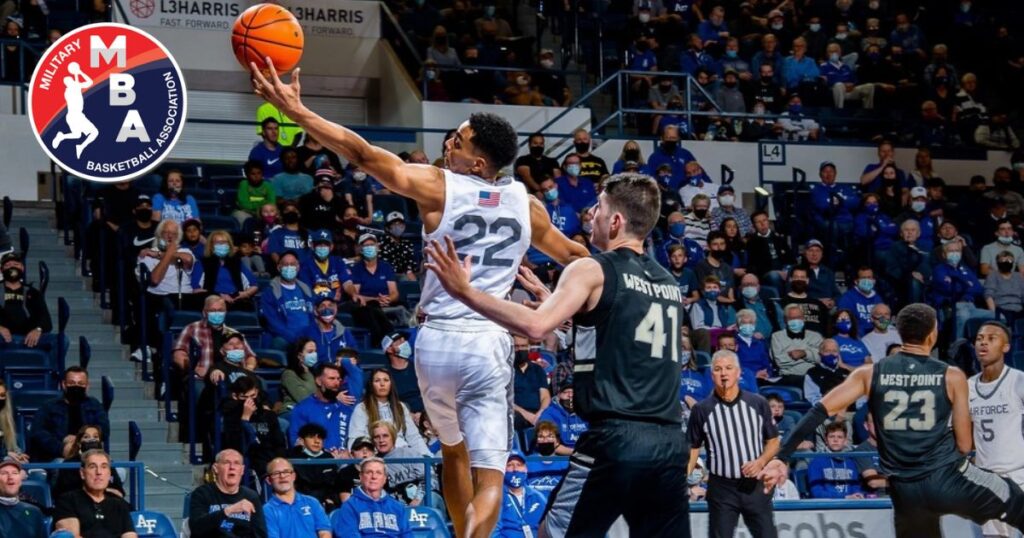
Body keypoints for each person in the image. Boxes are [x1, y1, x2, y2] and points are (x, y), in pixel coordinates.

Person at [255, 65, 587, 537]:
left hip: (433, 343)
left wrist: (298, 111)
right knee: (491, 475)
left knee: (453, 451)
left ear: (479, 163)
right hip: (485, 341)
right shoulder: (527, 205)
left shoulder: (437, 186)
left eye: (461, 141)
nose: (450, 142)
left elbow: (361, 153)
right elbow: (576, 258)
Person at [423, 173, 690, 536]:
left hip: (616, 438)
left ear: (615, 221)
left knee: (553, 533)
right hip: (669, 441)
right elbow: (621, 333)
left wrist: (465, 292)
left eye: (598, 207)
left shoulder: (593, 268)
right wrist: (559, 306)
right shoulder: (667, 283)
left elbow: (535, 327)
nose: (590, 214)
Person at [761, 303, 1024, 537]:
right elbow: (965, 445)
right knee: (1016, 501)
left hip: (904, 488)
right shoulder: (952, 375)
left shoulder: (869, 373)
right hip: (946, 478)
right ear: (932, 334)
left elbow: (818, 411)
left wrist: (781, 457)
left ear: (899, 332)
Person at [688, 350, 779, 538]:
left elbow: (773, 441)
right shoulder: (701, 410)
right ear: (711, 375)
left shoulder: (758, 403)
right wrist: (683, 481)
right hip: (721, 489)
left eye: (729, 368)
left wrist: (761, 462)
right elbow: (692, 449)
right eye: (718, 369)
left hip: (755, 486)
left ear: (738, 373)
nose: (723, 373)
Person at [971, 322, 1024, 538]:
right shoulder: (967, 386)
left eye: (991, 338)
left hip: (1020, 474)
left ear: (1006, 347)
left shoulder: (1019, 380)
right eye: (979, 338)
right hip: (989, 481)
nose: (983, 342)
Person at [29, 367, 109, 462]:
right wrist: (62, 446)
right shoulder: (49, 406)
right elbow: (39, 432)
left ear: (87, 386)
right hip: (57, 456)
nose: (76, 386)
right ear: (64, 384)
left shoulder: (94, 404)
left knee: (118, 469)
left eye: (81, 384)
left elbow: (104, 430)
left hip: (88, 454)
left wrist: (80, 439)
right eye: (71, 383)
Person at [53, 450, 137, 538]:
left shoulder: (120, 504)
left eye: (104, 467)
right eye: (92, 467)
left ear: (109, 474)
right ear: (82, 473)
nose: (98, 472)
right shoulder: (67, 500)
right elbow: (73, 536)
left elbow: (130, 535)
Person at [188, 449, 268, 538]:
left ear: (242, 470)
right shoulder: (202, 493)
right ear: (215, 468)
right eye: (226, 462)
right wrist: (228, 511)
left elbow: (261, 534)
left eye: (236, 463)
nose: (232, 467)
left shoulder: (251, 497)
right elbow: (196, 528)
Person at [347, 369, 429, 455]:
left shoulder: (400, 407)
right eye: (377, 381)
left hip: (401, 453)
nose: (382, 384)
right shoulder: (362, 408)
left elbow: (413, 436)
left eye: (386, 380)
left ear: (391, 384)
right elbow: (355, 438)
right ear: (371, 385)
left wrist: (427, 456)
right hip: (375, 455)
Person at [221, 377, 286, 480]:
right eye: (244, 397)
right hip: (246, 465)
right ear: (235, 396)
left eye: (253, 396)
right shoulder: (231, 417)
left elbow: (279, 444)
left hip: (269, 464)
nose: (249, 401)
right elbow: (236, 446)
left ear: (257, 392)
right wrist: (245, 419)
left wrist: (277, 464)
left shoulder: (269, 416)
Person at [330, 457, 411, 537]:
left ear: (385, 478)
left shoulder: (397, 507)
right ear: (361, 477)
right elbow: (349, 535)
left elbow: (407, 534)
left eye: (378, 473)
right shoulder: (350, 506)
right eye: (369, 472)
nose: (374, 477)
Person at [287, 363, 356, 451]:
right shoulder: (302, 409)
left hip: (346, 457)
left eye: (338, 379)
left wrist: (349, 452)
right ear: (319, 381)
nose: (337, 383)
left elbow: (356, 437)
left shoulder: (346, 407)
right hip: (318, 457)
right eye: (331, 378)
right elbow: (296, 441)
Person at [260, 251, 315, 351]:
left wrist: (310, 337)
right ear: (279, 267)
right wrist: (296, 340)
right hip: (285, 337)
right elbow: (273, 323)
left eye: (292, 264)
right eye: (286, 264)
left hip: (307, 336)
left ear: (298, 267)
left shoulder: (306, 289)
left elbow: (312, 317)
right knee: (279, 343)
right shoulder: (270, 292)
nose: (289, 267)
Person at [263, 458, 331, 538]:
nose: (282, 476)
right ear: (269, 480)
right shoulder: (267, 510)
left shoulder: (312, 502)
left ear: (294, 476)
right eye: (276, 473)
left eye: (286, 472)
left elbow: (325, 532)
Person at [192, 231, 259, 311]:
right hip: (212, 301)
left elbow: (254, 285)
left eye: (225, 242)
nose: (222, 245)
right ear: (211, 246)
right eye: (218, 243)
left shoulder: (237, 263)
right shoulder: (201, 263)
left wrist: (245, 294)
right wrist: (219, 296)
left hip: (236, 300)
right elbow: (196, 290)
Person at [0, 252, 53, 352]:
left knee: (60, 341)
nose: (12, 267)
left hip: (29, 338)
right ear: (1, 270)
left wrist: (38, 330)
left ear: (22, 268)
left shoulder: (33, 292)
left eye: (16, 264)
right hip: (2, 338)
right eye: (8, 265)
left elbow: (46, 320)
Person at [54, 425, 124, 499]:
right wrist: (103, 490)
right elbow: (65, 495)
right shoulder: (69, 463)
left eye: (95, 437)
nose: (91, 440)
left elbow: (119, 493)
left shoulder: (107, 462)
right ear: (79, 443)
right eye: (86, 437)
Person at [286, 423, 344, 512]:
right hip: (302, 503)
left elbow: (334, 485)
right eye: (311, 437)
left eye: (320, 438)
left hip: (326, 504)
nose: (317, 441)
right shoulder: (294, 459)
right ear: (302, 440)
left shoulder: (329, 458)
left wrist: (330, 500)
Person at [493, 450, 546, 538]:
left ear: (526, 469)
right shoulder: (497, 497)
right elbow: (493, 533)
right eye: (509, 465)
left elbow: (548, 527)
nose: (515, 469)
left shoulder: (538, 497)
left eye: (519, 465)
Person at [806, 422, 863, 499]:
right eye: (832, 436)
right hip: (827, 504)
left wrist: (857, 494)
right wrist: (844, 497)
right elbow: (817, 492)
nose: (835, 440)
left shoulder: (851, 462)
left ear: (845, 441)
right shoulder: (816, 462)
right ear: (826, 440)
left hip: (850, 502)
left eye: (840, 437)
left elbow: (855, 486)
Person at [771, 305, 824, 387]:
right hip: (789, 377)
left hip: (813, 375)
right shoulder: (777, 336)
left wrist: (804, 353)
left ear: (803, 318)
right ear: (785, 320)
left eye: (798, 317)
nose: (795, 320)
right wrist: (811, 353)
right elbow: (780, 362)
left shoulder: (815, 336)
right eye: (791, 318)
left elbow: (821, 358)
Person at [535, 380, 588, 456]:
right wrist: (576, 454)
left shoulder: (586, 411)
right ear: (559, 395)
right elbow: (548, 443)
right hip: (562, 456)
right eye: (566, 392)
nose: (570, 395)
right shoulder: (549, 414)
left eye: (573, 392)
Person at [0, 460, 47, 537]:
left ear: (20, 481)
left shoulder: (34, 512)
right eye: (4, 473)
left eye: (15, 473)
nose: (10, 477)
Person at [383, 332, 423, 415]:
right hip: (399, 415)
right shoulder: (385, 375)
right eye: (400, 342)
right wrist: (408, 415)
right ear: (389, 349)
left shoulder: (419, 367)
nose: (405, 343)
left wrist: (423, 415)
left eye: (404, 340)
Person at [985, 251, 1024, 326]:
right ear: (997, 262)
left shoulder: (1018, 276)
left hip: (1019, 309)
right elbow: (988, 295)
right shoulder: (993, 275)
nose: (1006, 262)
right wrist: (994, 314)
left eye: (1009, 260)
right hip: (1002, 309)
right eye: (1003, 260)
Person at [234, 160, 277, 226]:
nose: (256, 176)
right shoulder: (243, 184)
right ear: (247, 175)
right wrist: (264, 202)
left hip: (265, 213)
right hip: (246, 213)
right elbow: (245, 205)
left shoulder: (268, 185)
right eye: (253, 174)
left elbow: (271, 203)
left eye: (259, 173)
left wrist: (258, 209)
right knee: (240, 216)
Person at [379, 213, 418, 281]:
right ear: (387, 228)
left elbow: (411, 264)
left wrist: (410, 273)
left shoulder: (407, 243)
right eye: (394, 224)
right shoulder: (383, 243)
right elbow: (385, 266)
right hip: (389, 277)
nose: (398, 226)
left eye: (400, 224)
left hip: (408, 275)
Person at [0, 380, 27, 464]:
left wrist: (19, 454)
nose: (0, 399)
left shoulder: (8, 417)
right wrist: (5, 454)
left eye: (2, 395)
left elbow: (14, 445)